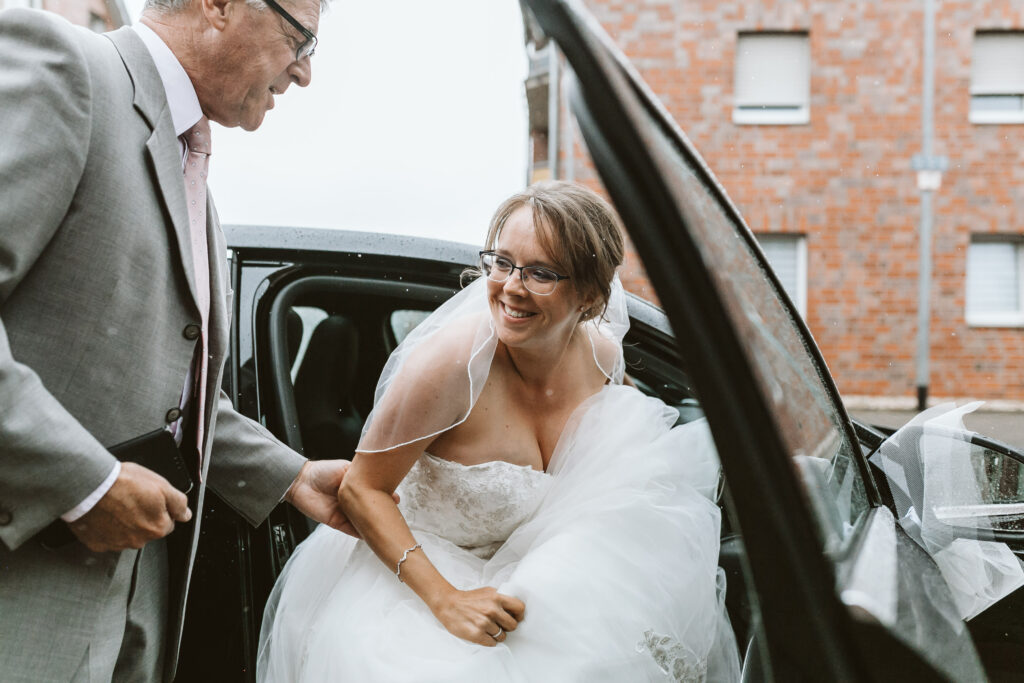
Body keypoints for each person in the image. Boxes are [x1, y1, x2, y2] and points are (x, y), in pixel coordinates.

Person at [0, 1, 360, 681]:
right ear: (218, 6)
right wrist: (86, 483)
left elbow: (172, 391)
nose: (306, 71)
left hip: (132, 616)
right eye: (299, 37)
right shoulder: (66, 70)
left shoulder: (190, 164)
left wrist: (293, 476)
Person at [258, 181, 740, 681]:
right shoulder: (452, 365)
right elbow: (361, 488)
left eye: (541, 273)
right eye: (503, 262)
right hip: (414, 587)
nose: (511, 286)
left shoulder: (603, 358)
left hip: (530, 587)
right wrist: (447, 601)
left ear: (591, 296)